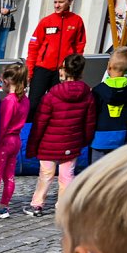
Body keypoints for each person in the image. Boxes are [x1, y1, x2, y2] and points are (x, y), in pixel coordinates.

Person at [25, 54, 96, 217]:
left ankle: (37, 204)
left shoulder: (51, 96)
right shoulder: (88, 94)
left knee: (46, 175)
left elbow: (40, 123)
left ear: (63, 71)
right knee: (67, 175)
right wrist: (84, 140)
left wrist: (32, 145)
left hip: (49, 144)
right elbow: (89, 121)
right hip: (72, 142)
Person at [25, 0, 87, 116]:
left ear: (70, 2)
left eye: (61, 2)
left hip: (63, 71)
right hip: (42, 68)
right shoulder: (46, 21)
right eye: (55, 2)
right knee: (33, 104)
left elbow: (79, 46)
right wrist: (29, 71)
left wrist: (74, 69)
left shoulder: (77, 21)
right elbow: (33, 46)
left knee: (58, 105)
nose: (57, 5)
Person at [0, 62, 30, 220]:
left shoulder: (9, 101)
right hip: (16, 140)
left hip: (4, 142)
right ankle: (4, 205)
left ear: (8, 81)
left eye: (1, 81)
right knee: (9, 176)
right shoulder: (25, 100)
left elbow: (1, 128)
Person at [91, 46, 127, 161]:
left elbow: (92, 114)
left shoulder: (99, 90)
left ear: (109, 66)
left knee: (96, 169)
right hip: (120, 136)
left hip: (99, 136)